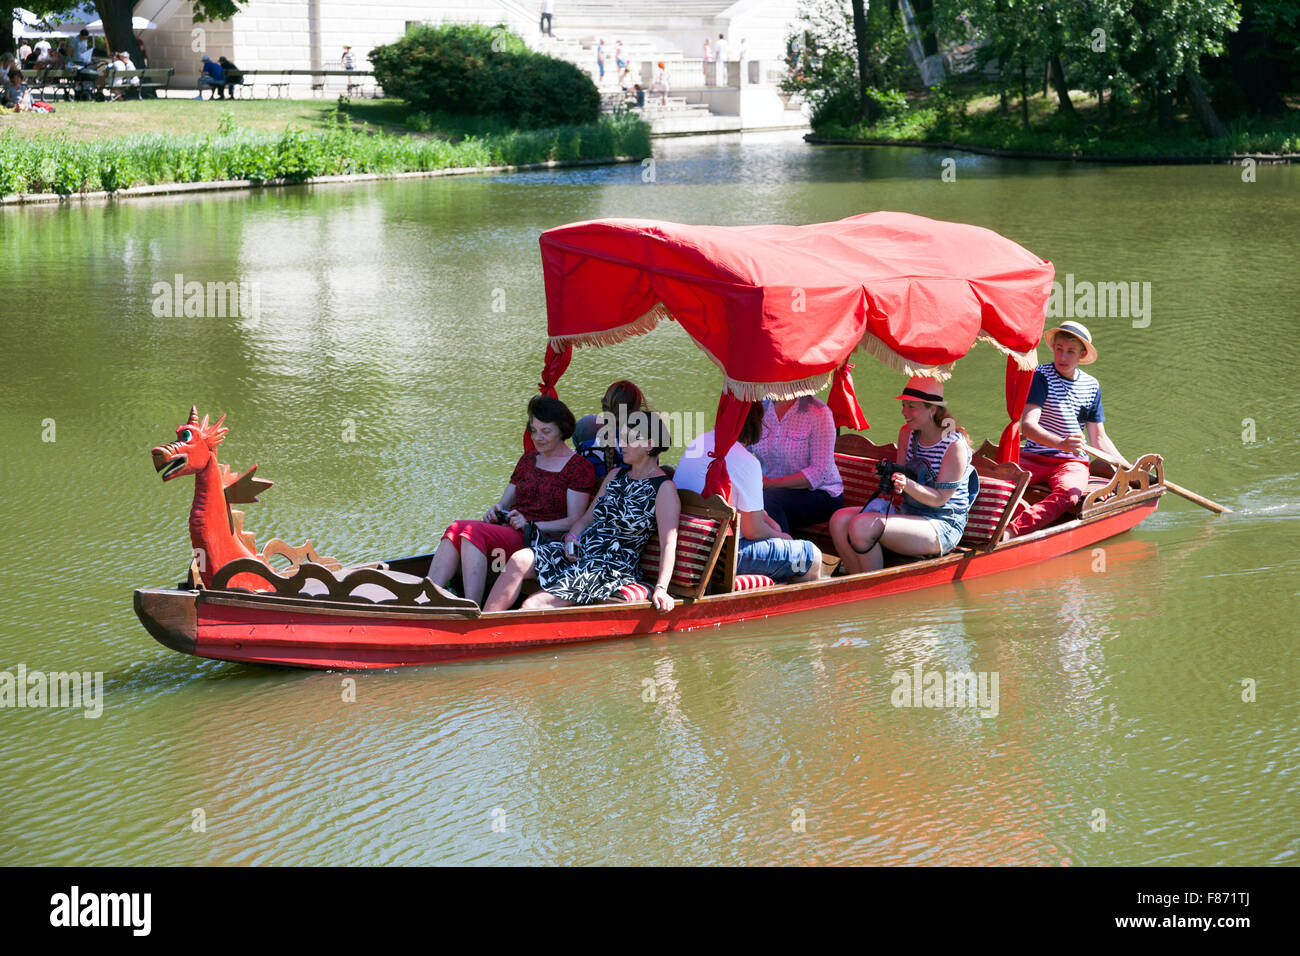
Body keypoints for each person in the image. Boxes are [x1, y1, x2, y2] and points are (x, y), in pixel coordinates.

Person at [485, 411, 679, 612]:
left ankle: (500, 637)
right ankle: (481, 626)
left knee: (533, 603)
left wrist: (661, 588)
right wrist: (571, 537)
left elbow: (668, 542)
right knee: (519, 559)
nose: (622, 444)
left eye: (629, 439)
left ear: (649, 444)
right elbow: (586, 520)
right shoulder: (615, 476)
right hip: (580, 553)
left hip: (608, 569)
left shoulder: (663, 489)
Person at [428, 395, 596, 606]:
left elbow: (574, 520)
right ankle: (429, 596)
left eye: (546, 431)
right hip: (510, 531)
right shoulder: (528, 459)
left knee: (472, 532)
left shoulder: (578, 467)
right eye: (534, 431)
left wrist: (531, 524)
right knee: (456, 528)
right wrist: (495, 510)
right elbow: (504, 504)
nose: (538, 438)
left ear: (562, 430)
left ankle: (469, 605)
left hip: (541, 540)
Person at [830, 377, 978, 574]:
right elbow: (901, 476)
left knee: (863, 526)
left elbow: (940, 500)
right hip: (909, 510)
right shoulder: (907, 433)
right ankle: (854, 579)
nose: (904, 412)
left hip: (941, 522)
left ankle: (870, 589)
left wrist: (907, 484)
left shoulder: (954, 446)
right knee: (839, 520)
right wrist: (889, 475)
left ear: (932, 409)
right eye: (903, 405)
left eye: (911, 407)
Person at [674, 402, 822, 583]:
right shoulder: (747, 463)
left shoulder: (698, 442)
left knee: (783, 545)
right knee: (812, 557)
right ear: (757, 425)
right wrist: (782, 537)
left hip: (686, 542)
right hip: (723, 555)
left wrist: (766, 522)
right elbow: (753, 532)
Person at [1004, 321, 1125, 539]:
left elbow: (1099, 438)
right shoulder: (1041, 376)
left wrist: (1128, 468)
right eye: (1059, 349)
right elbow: (1028, 426)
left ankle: (1012, 531)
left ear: (1082, 354)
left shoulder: (1092, 386)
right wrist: (1061, 443)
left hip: (1071, 462)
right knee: (999, 482)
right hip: (1034, 456)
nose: (1063, 357)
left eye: (1070, 352)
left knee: (1069, 496)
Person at [748, 395, 843, 533]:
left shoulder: (819, 411)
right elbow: (741, 448)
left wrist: (770, 483)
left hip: (821, 493)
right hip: (770, 490)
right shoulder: (757, 408)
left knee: (767, 500)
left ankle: (787, 550)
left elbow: (819, 473)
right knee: (741, 498)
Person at [573, 380, 646, 478]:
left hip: (596, 492)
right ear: (636, 412)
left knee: (587, 424)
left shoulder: (587, 449)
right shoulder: (647, 449)